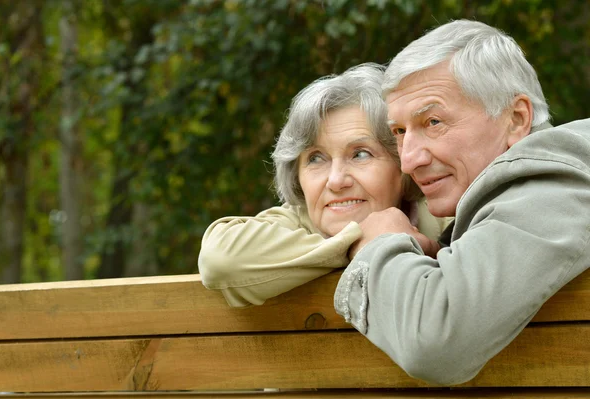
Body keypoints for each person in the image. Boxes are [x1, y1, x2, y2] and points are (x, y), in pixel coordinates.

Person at [334, 19, 590, 385]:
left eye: (433, 122)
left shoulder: (560, 182)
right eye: (400, 132)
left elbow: (435, 343)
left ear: (516, 119)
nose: (409, 161)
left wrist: (381, 241)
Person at [199, 64, 450, 308]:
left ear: (402, 165)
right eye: (316, 158)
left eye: (360, 154)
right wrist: (361, 242)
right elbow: (219, 261)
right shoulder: (298, 221)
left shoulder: (445, 219)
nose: (336, 180)